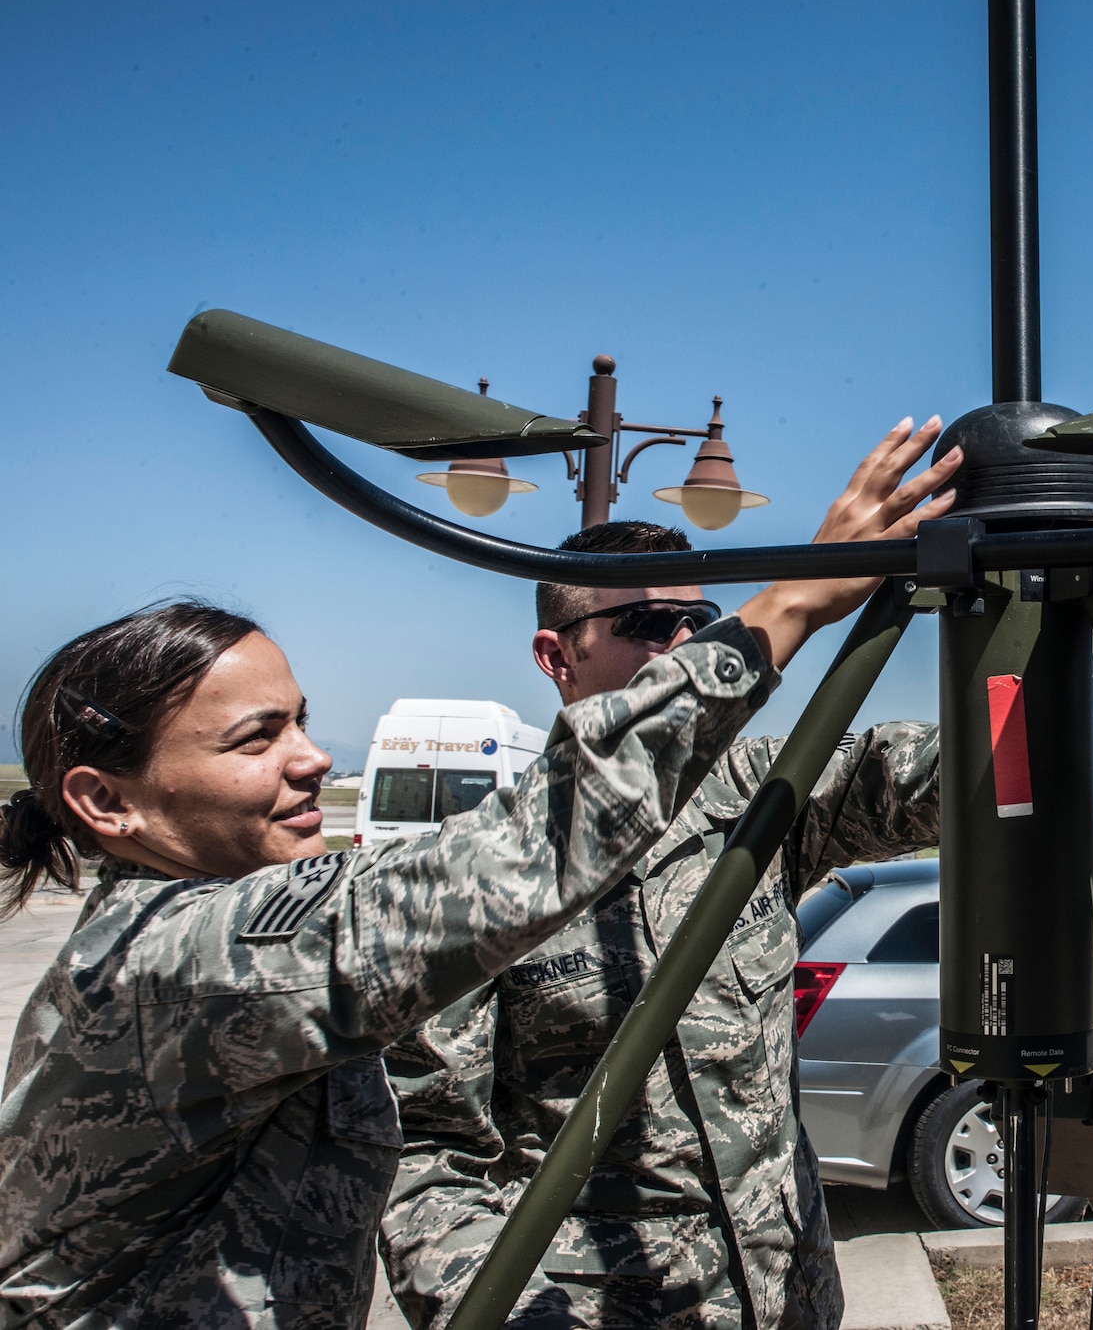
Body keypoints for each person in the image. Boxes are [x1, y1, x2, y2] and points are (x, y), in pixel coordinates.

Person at [0, 419, 960, 1329]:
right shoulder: (167, 961)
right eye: (258, 738)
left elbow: (984, 771)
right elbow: (505, 898)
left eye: (301, 720)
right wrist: (784, 605)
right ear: (106, 801)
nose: (313, 759)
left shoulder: (749, 797)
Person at [379, 429, 1093, 1330]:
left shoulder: (756, 796)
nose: (681, 644)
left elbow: (989, 774)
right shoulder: (477, 867)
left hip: (781, 1295)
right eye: (645, 626)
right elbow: (430, 1154)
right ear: (556, 657)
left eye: (698, 623)